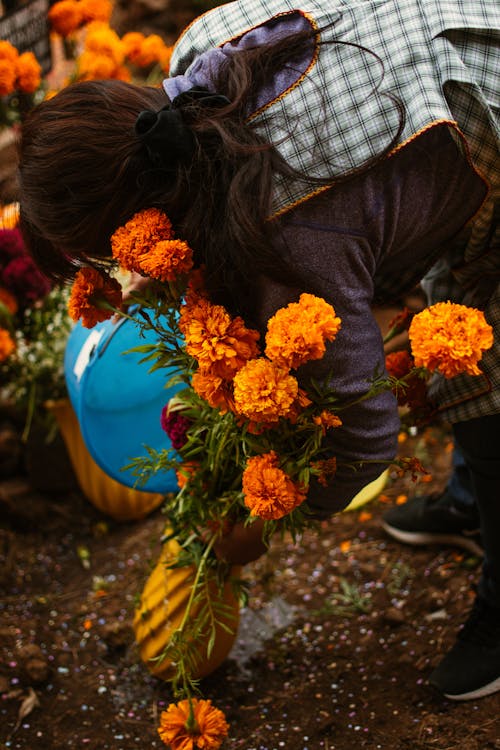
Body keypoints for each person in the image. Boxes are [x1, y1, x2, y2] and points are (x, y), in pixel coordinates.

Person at [17, 0, 499, 702]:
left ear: (142, 224)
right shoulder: (198, 64)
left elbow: (365, 442)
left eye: (106, 256)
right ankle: (467, 503)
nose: (115, 273)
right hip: (451, 32)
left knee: (484, 379)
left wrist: (259, 525)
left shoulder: (291, 241)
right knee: (450, 322)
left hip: (484, 101)